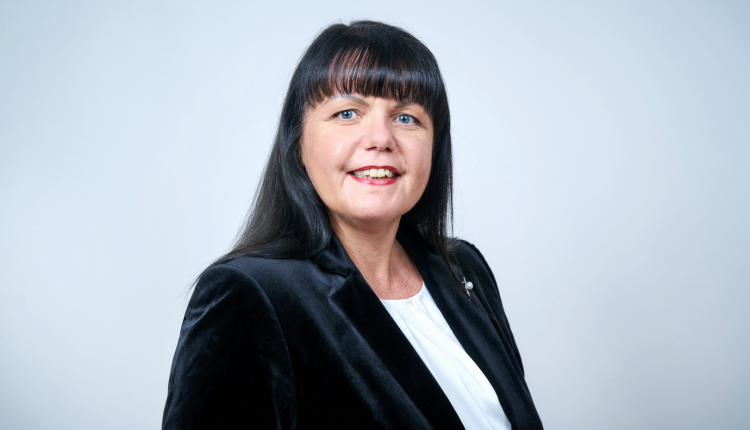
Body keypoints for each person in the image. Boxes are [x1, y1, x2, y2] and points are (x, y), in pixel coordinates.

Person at [162, 20, 543, 430]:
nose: (380, 138)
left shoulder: (464, 268)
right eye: (347, 113)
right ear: (298, 143)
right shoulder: (251, 296)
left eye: (406, 118)